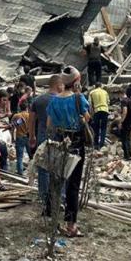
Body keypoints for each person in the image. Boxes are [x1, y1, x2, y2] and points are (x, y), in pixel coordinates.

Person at [46, 66, 91, 237]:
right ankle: (71, 225)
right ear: (77, 81)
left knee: (56, 182)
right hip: (76, 144)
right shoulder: (78, 98)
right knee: (73, 185)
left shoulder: (54, 100)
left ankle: (52, 220)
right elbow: (87, 118)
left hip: (59, 141)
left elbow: (49, 124)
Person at [29, 75, 61, 207]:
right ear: (58, 85)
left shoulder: (38, 100)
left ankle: (43, 197)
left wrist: (32, 136)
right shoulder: (61, 100)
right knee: (57, 168)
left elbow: (31, 120)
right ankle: (57, 198)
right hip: (59, 138)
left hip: (42, 137)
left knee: (43, 168)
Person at [11, 100, 31, 175]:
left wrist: (12, 137)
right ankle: (32, 172)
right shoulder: (30, 115)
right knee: (31, 156)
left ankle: (20, 172)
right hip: (28, 137)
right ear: (27, 107)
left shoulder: (16, 116)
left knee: (19, 157)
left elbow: (12, 127)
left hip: (19, 136)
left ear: (20, 107)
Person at [88, 82, 109, 148]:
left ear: (95, 86)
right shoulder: (105, 92)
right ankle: (102, 144)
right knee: (103, 128)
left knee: (96, 128)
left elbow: (90, 104)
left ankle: (96, 144)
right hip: (105, 110)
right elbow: (108, 102)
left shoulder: (92, 92)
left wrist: (91, 114)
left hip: (96, 111)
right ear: (101, 86)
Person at [119, 94, 131, 160]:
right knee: (128, 138)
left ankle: (126, 156)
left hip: (126, 122)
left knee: (124, 139)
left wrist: (121, 122)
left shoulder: (124, 101)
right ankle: (130, 154)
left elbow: (125, 111)